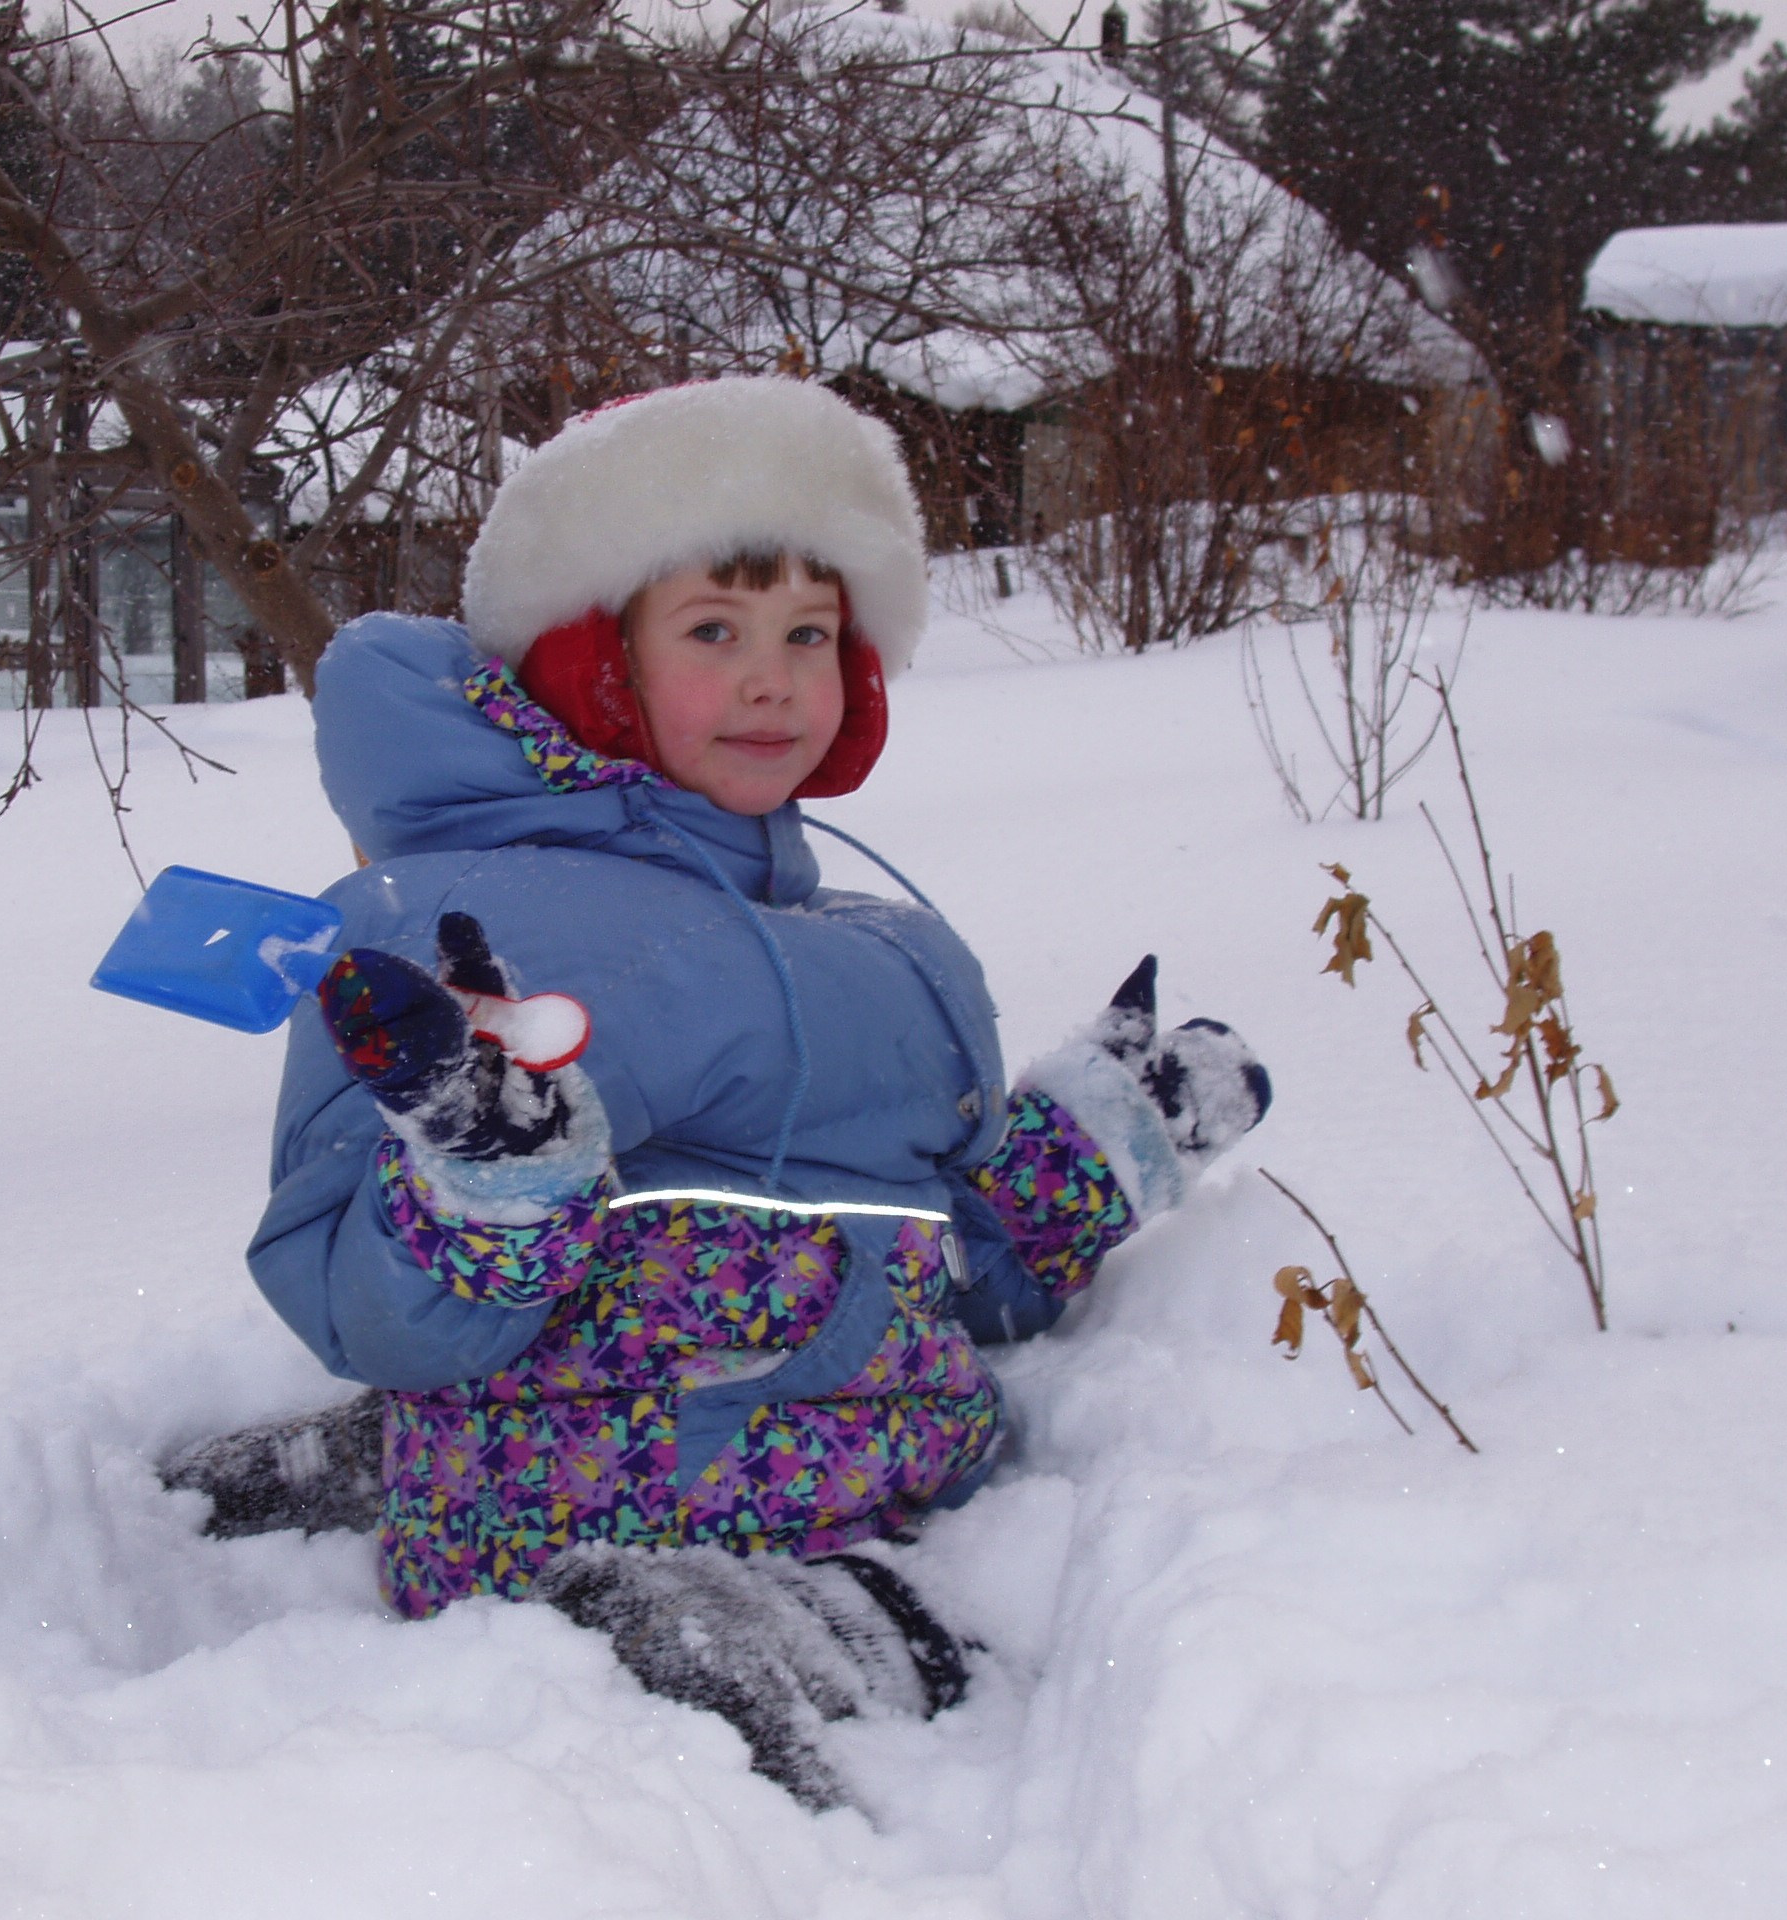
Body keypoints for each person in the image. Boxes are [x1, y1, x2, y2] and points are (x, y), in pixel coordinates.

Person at [178, 377, 1272, 1809]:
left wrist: (1102, 1147)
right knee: (699, 1683)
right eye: (714, 631)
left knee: (847, 1640)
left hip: (868, 1496)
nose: (774, 679)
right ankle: (434, 1487)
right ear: (595, 659)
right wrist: (488, 1174)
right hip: (592, 1542)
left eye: (809, 634)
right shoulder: (445, 926)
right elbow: (364, 1304)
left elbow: (944, 1264)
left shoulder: (892, 951)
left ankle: (391, 1471)